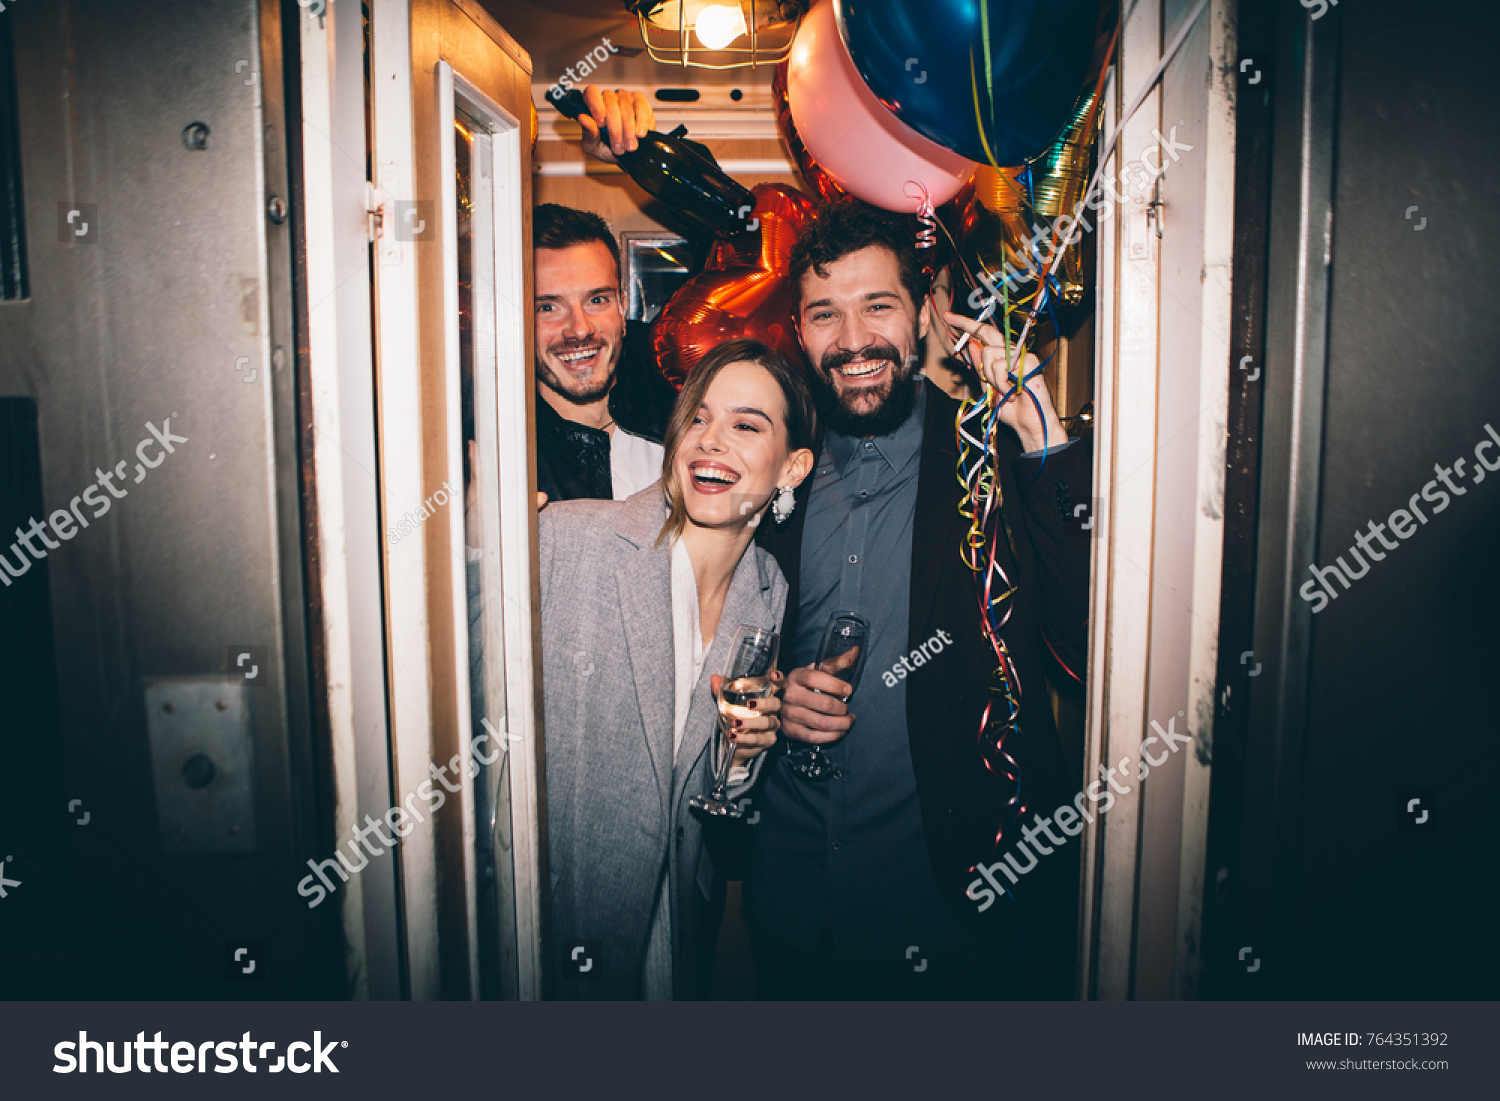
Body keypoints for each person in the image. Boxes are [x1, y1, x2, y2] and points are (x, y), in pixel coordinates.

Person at [743, 198, 1092, 999]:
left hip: (950, 916)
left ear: (927, 311)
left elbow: (1083, 650)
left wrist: (1041, 431)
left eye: (879, 306)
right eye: (825, 313)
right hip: (794, 910)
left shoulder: (997, 461)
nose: (853, 339)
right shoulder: (764, 471)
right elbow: (701, 655)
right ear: (798, 330)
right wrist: (769, 693)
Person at [538, 339, 817, 1000]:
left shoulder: (769, 590)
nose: (710, 440)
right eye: (698, 417)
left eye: (746, 425)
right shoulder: (566, 539)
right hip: (557, 923)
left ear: (792, 467)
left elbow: (720, 793)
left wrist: (744, 755)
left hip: (673, 929)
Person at [533, 201, 678, 502]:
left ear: (623, 307)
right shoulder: (501, 454)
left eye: (597, 300)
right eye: (548, 307)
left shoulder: (681, 411)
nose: (580, 329)